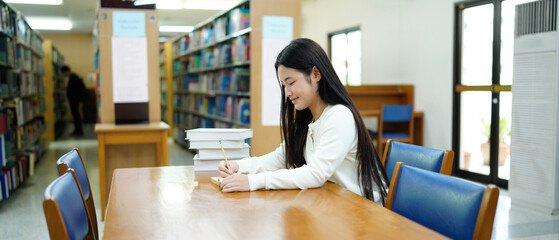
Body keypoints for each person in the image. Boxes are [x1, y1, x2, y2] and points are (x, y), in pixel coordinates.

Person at [218, 38, 390, 204]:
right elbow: (281, 157)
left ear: (316, 74)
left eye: (291, 82)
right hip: (335, 202)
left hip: (363, 211)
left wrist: (252, 181)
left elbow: (316, 174)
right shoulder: (309, 117)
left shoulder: (339, 116)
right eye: (284, 85)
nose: (287, 92)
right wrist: (239, 166)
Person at [61, 65, 87, 136]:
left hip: (74, 99)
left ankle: (78, 130)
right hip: (76, 99)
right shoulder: (74, 77)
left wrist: (66, 88)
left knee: (76, 115)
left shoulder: (73, 77)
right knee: (76, 114)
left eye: (64, 73)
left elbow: (73, 89)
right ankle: (78, 130)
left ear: (67, 71)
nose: (64, 74)